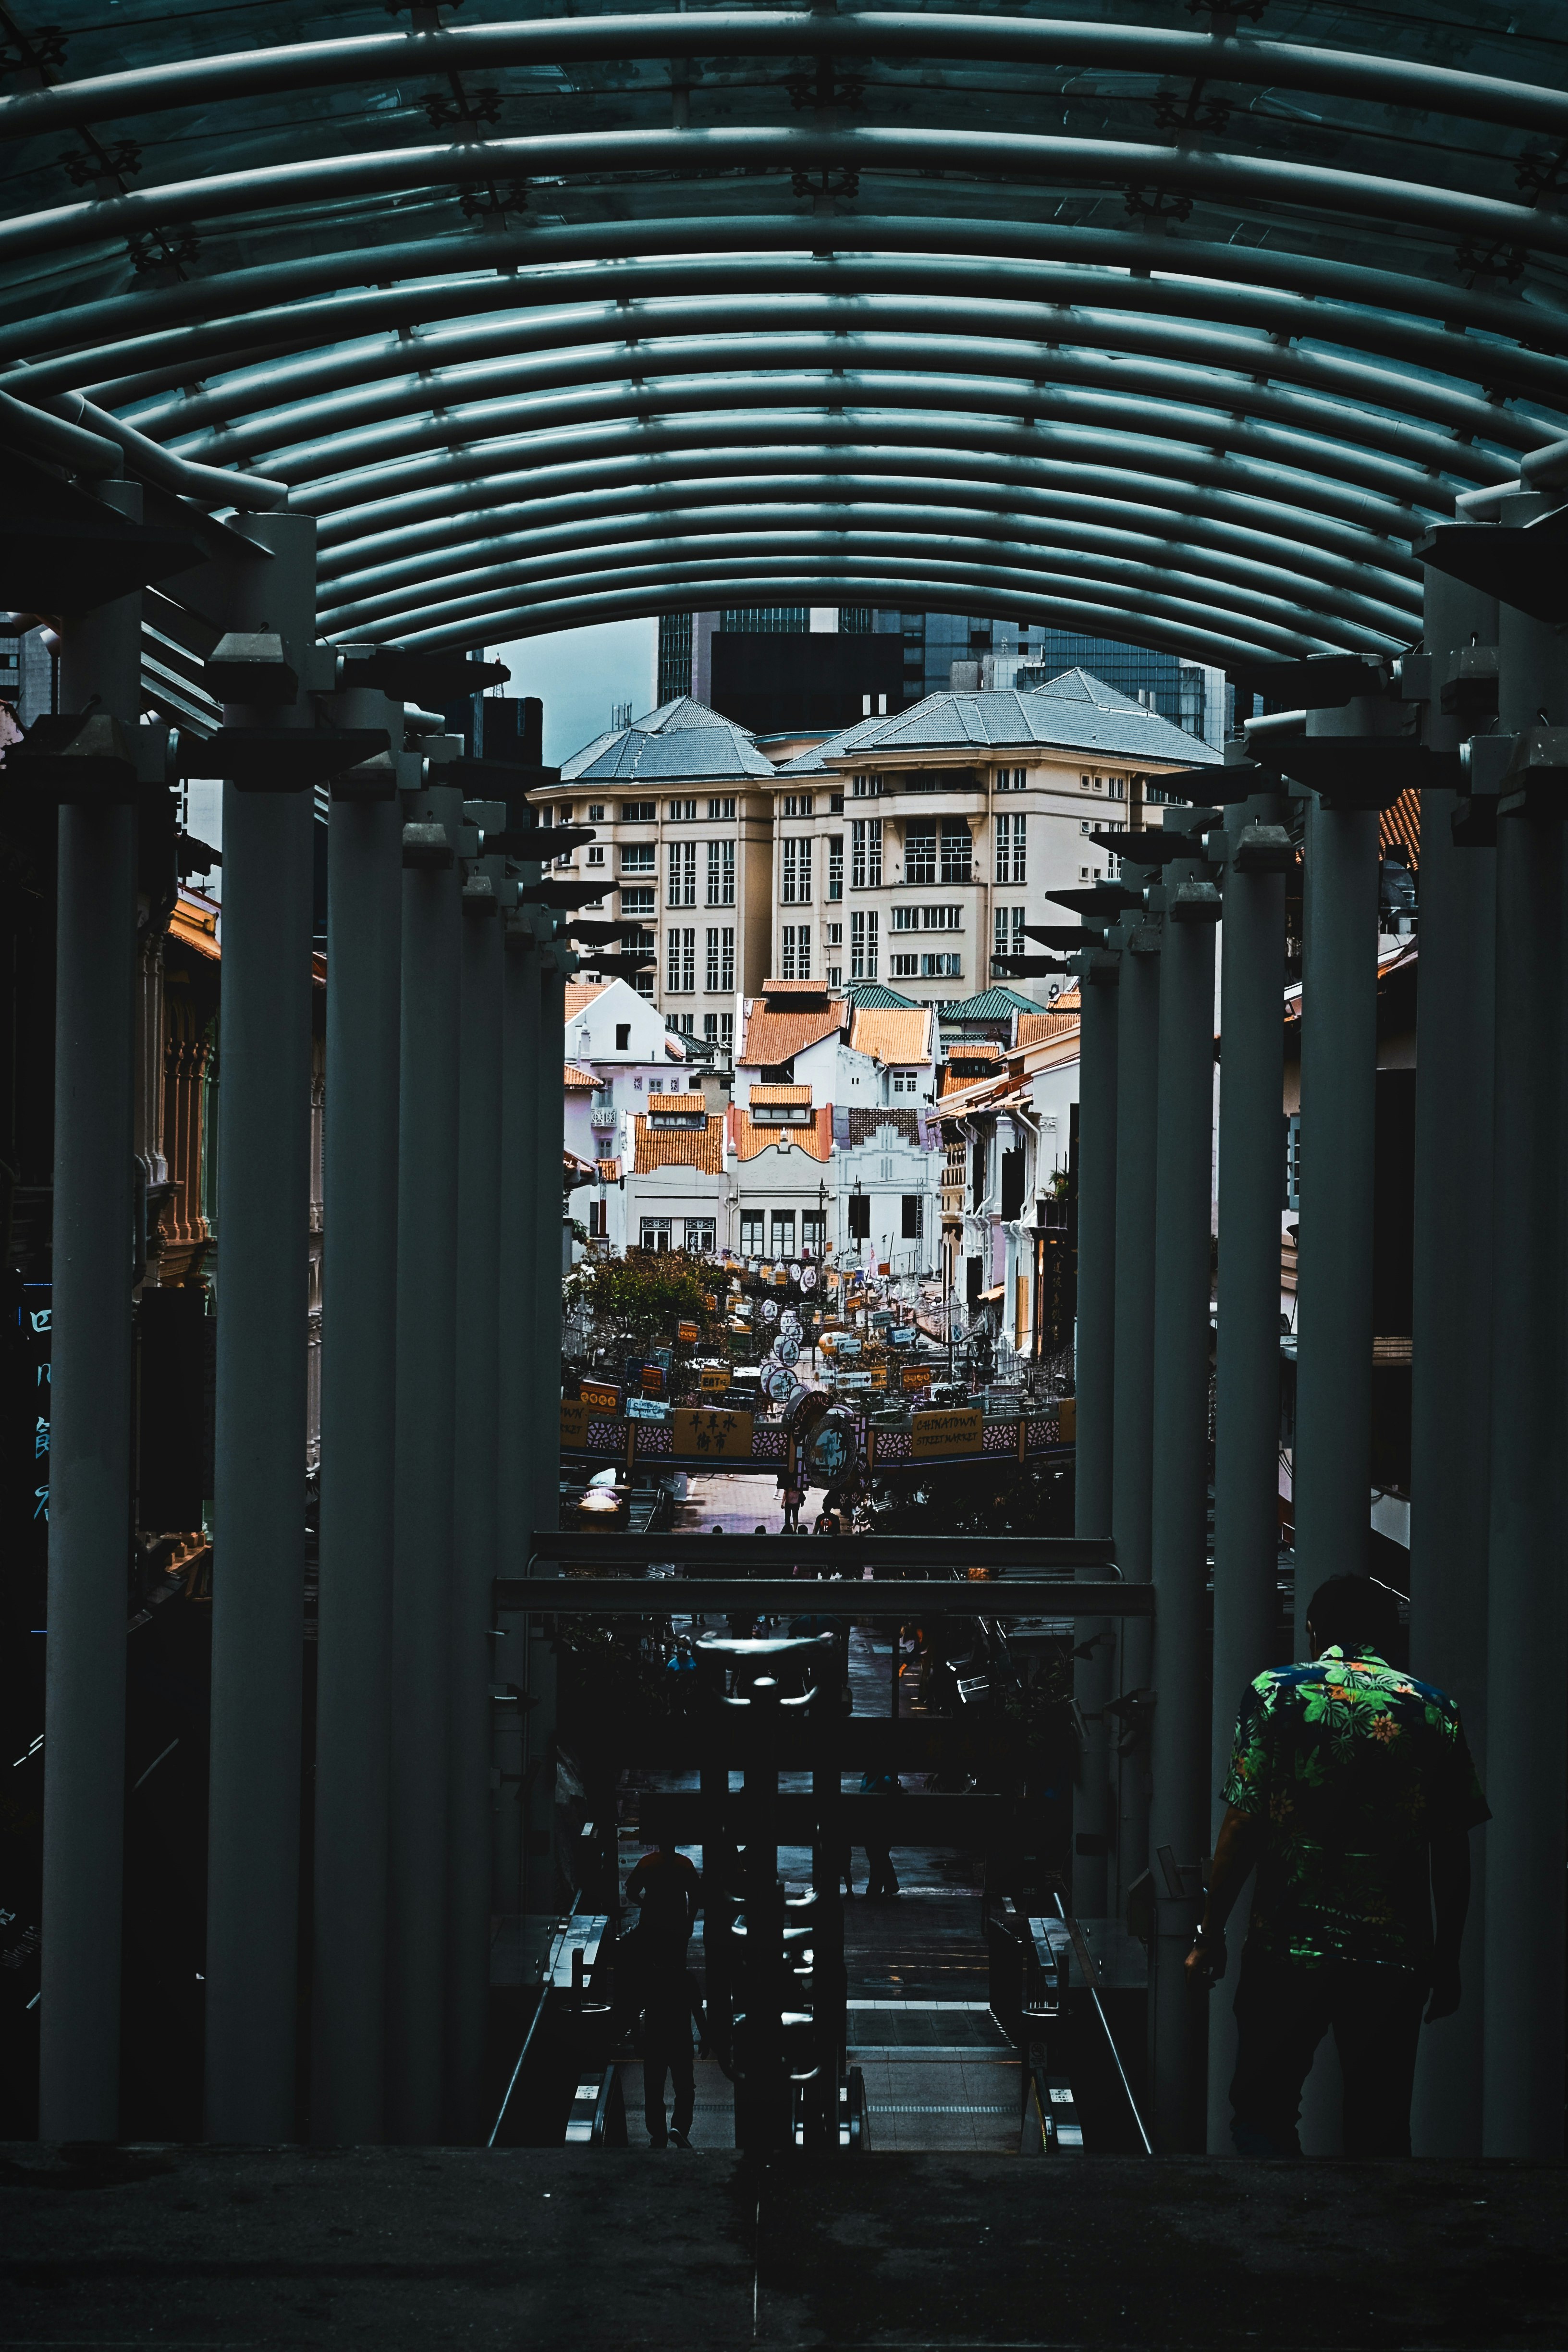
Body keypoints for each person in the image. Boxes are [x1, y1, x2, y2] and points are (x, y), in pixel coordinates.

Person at [1187, 1574, 1488, 2158]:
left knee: (1262, 2110)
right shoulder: (1432, 1711)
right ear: (1389, 1633)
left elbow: (1245, 1823)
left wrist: (1209, 1932)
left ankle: (1274, 2239)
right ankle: (1369, 2244)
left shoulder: (1277, 1693)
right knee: (1380, 2125)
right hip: (1391, 1956)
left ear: (1313, 1630)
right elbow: (1451, 1852)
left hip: (1287, 1945)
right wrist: (1446, 1958)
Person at [640, 1956, 707, 2150]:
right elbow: (697, 2009)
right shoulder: (686, 1978)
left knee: (654, 2091)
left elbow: (637, 2008)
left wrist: (638, 2038)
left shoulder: (650, 1979)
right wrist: (705, 2036)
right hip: (680, 2041)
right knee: (685, 2090)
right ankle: (679, 2130)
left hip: (655, 2043)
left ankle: (658, 2134)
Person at [859, 1768, 901, 1900]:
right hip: (882, 1824)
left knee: (876, 1856)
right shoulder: (885, 1779)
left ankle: (876, 1889)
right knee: (880, 1856)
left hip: (875, 1823)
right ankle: (888, 1886)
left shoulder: (872, 1779)